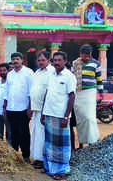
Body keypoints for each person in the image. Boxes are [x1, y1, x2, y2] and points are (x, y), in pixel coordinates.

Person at [41, 51, 76, 181]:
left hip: (60, 116)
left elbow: (72, 96)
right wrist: (43, 114)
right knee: (49, 143)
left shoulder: (69, 76)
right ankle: (49, 167)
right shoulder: (51, 75)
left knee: (61, 145)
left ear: (65, 61)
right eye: (54, 60)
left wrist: (66, 117)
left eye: (59, 60)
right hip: (49, 114)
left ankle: (62, 171)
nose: (56, 63)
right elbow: (47, 94)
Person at [3, 52, 33, 163]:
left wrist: (30, 108)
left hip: (24, 109)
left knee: (24, 133)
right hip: (11, 108)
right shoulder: (10, 74)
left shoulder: (28, 73)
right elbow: (7, 92)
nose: (15, 61)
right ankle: (15, 155)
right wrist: (4, 108)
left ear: (22, 60)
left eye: (17, 59)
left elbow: (31, 92)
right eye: (13, 59)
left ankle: (26, 156)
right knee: (13, 133)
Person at [72, 44, 103, 149]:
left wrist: (101, 93)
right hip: (78, 93)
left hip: (90, 92)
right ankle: (81, 142)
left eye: (87, 56)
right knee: (80, 118)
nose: (85, 58)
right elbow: (72, 78)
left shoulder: (96, 64)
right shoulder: (75, 63)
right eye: (83, 55)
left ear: (90, 55)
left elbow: (99, 79)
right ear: (80, 54)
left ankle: (93, 141)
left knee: (90, 118)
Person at [29, 50, 54, 169]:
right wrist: (29, 107)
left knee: (43, 136)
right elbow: (32, 91)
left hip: (46, 110)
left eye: (43, 60)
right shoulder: (36, 73)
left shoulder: (52, 72)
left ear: (48, 60)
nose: (41, 62)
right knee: (35, 134)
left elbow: (50, 92)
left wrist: (45, 110)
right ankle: (38, 158)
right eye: (39, 60)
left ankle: (44, 159)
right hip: (35, 109)